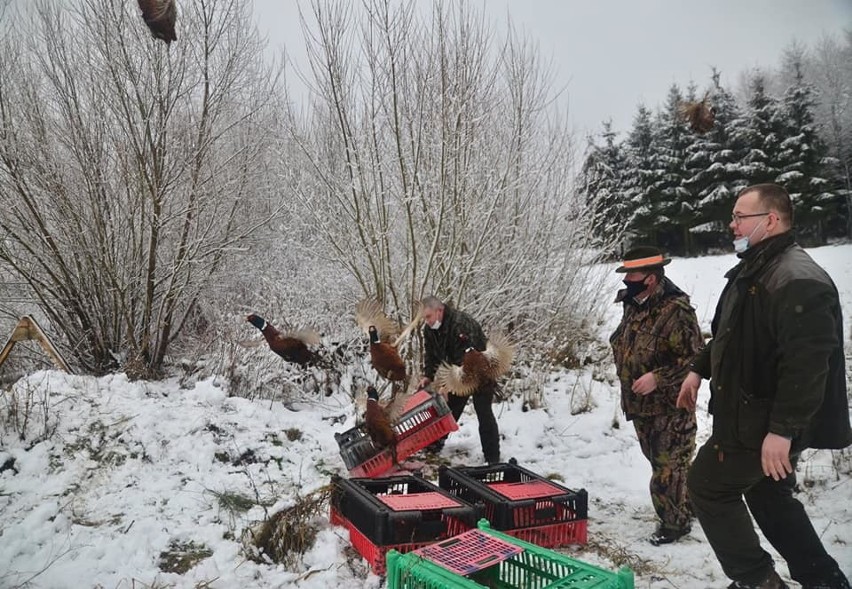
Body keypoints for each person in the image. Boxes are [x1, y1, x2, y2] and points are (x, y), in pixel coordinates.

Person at [677, 184, 852, 589]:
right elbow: (730, 332)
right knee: (769, 496)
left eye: (741, 216)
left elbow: (809, 365)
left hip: (761, 423)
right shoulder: (756, 266)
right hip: (749, 414)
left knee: (707, 485)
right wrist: (698, 368)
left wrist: (783, 431)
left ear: (770, 221)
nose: (732, 223)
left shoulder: (796, 278)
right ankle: (824, 580)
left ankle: (757, 580)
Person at [609, 246, 703, 546]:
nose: (627, 280)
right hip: (641, 406)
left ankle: (675, 524)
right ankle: (688, 504)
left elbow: (697, 358)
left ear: (650, 278)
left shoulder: (676, 310)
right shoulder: (634, 304)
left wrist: (658, 378)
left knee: (668, 466)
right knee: (661, 463)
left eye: (632, 275)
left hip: (670, 405)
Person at [418, 296, 501, 464]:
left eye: (428, 317)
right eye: (424, 318)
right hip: (456, 373)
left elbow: (464, 358)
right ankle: (434, 447)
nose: (426, 321)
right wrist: (428, 375)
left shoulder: (460, 324)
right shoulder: (429, 330)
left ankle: (492, 457)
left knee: (484, 413)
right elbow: (431, 355)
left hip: (480, 372)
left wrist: (448, 385)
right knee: (448, 410)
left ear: (439, 311)